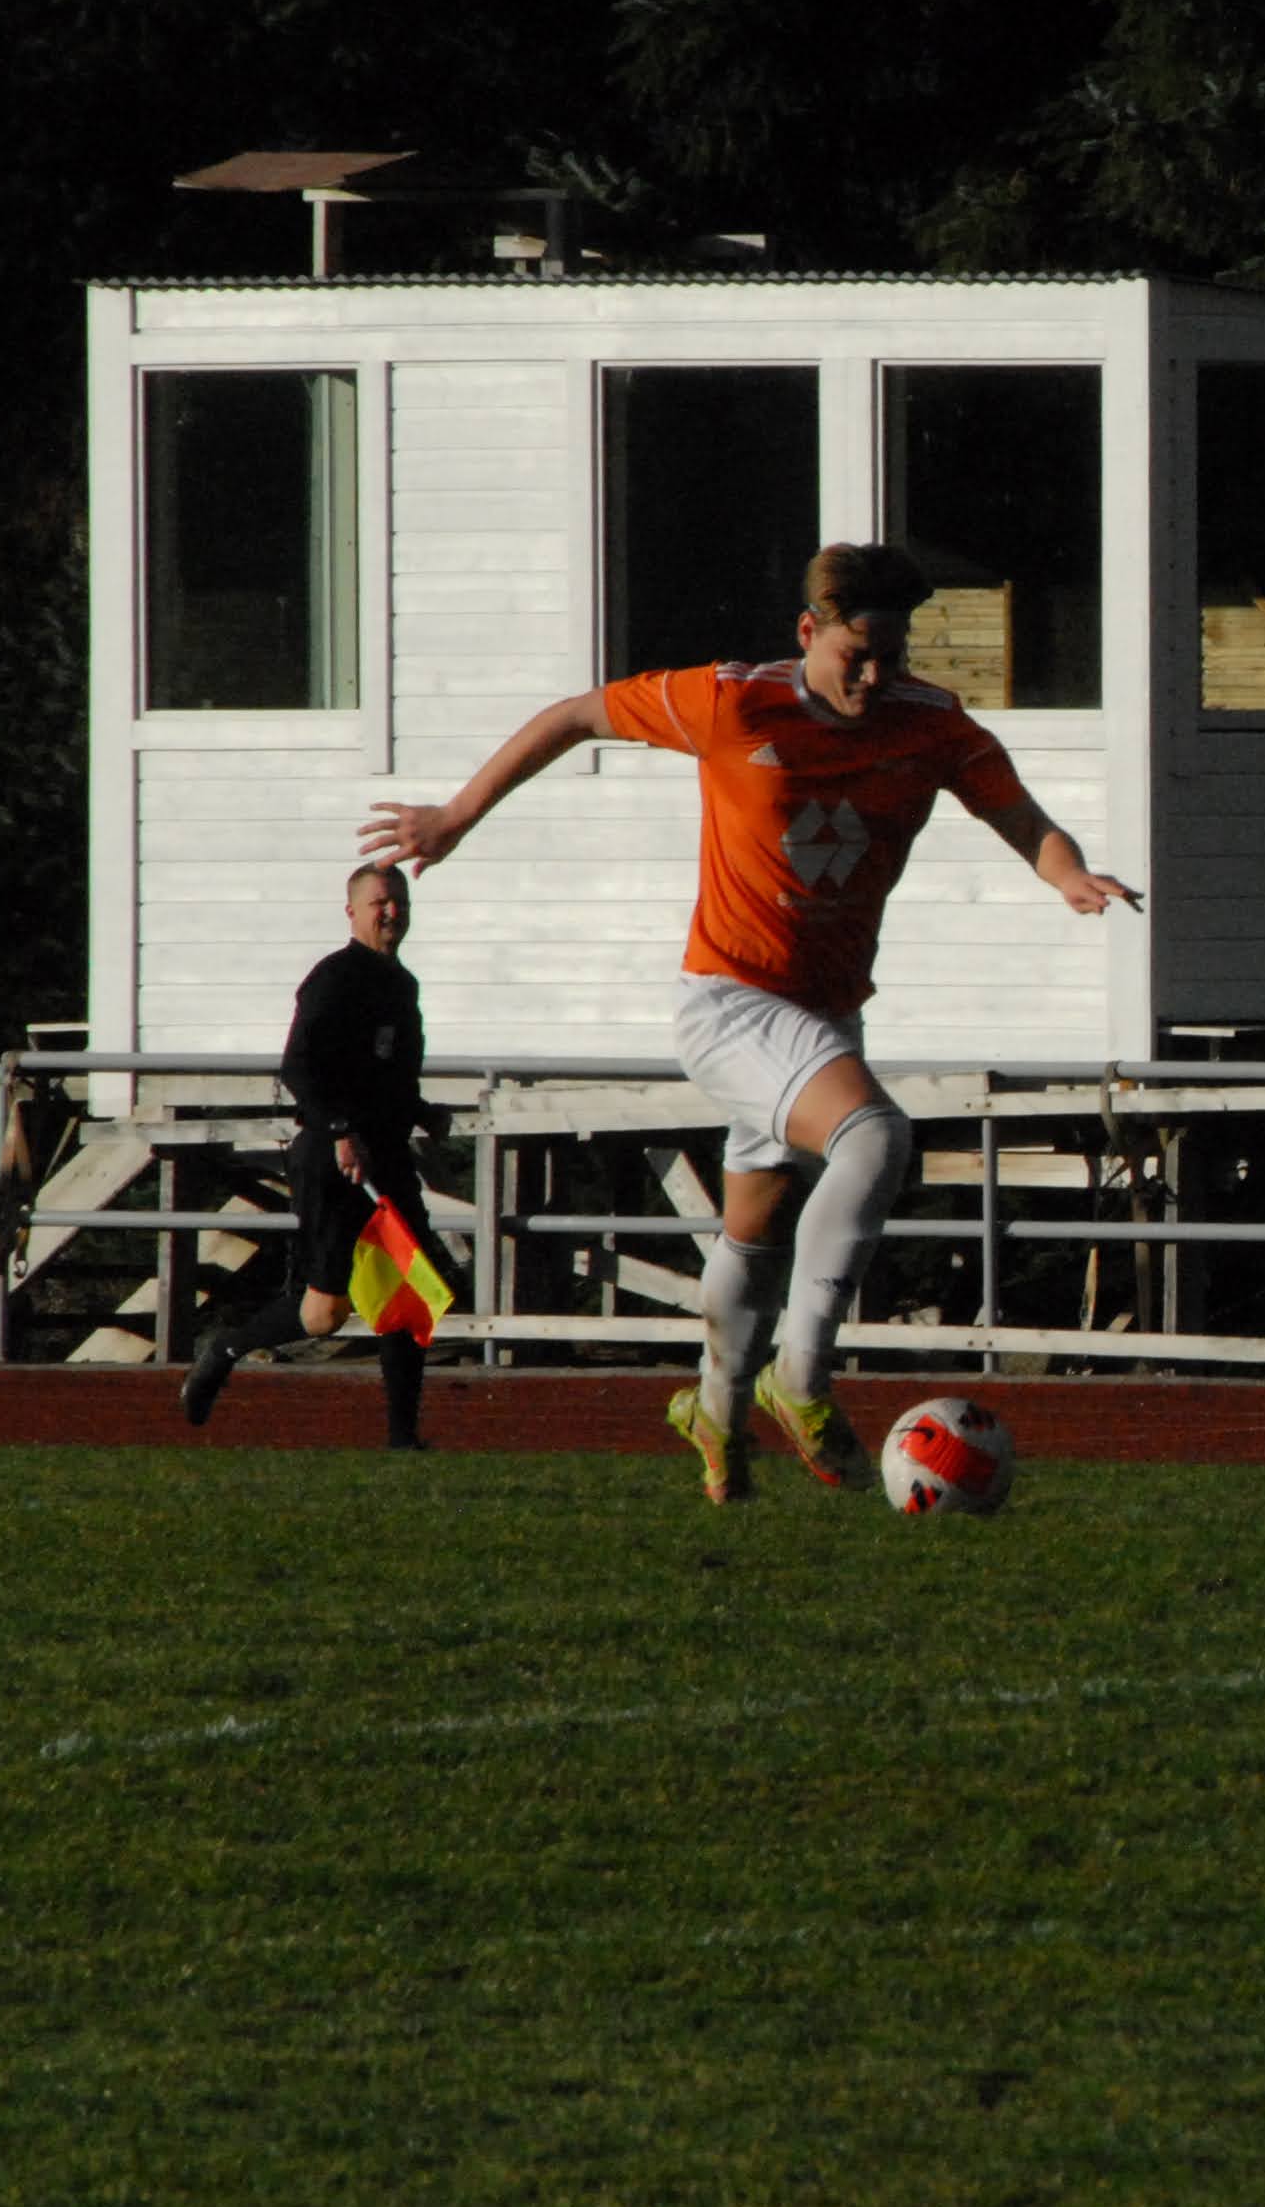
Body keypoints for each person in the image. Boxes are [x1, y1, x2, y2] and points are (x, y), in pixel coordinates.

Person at [358, 542, 1136, 1503]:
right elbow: (574, 716)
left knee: (757, 1228)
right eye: (856, 655)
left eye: (891, 656)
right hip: (729, 1000)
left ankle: (716, 1413)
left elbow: (1019, 816)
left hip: (825, 1018)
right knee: (875, 1135)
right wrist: (456, 816)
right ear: (808, 632)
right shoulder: (731, 700)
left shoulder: (931, 722)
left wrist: (1068, 874)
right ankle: (799, 1377)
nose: (874, 677)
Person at [182, 862, 459, 1448]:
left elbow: (388, 1078)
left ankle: (404, 1441)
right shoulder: (334, 978)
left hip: (385, 1157)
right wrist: (340, 1129)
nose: (392, 912)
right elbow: (299, 1067)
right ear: (353, 911)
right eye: (380, 902)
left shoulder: (402, 985)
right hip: (332, 1159)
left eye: (400, 902)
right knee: (321, 1315)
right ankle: (225, 1348)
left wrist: (422, 1111)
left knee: (407, 1293)